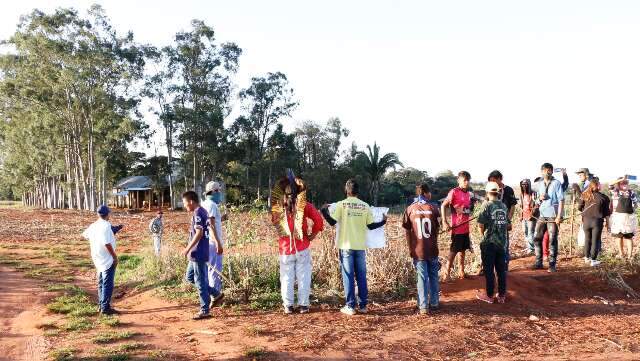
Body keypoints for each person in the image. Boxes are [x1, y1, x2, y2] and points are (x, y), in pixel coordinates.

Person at [321, 179, 387, 316]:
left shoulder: (341, 205)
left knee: (348, 276)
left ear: (346, 190)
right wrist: (383, 222)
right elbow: (370, 226)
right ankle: (363, 306)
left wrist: (323, 211)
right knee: (362, 276)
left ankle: (350, 306)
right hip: (360, 247)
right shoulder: (365, 206)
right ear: (358, 191)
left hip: (346, 247)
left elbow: (332, 222)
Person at [271, 175, 324, 314]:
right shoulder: (305, 205)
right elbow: (318, 220)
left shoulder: (278, 206)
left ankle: (288, 306)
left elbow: (275, 222)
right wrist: (311, 236)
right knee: (304, 276)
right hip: (302, 246)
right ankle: (304, 306)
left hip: (285, 248)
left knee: (286, 277)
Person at [402, 183, 441, 315]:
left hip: (418, 250)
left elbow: (407, 231)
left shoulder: (410, 209)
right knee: (434, 276)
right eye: (429, 193)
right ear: (425, 193)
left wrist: (410, 248)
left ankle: (423, 306)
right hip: (432, 248)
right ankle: (435, 303)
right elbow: (437, 228)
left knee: (422, 277)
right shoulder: (434, 208)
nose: (430, 195)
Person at [181, 191, 214, 320]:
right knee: (190, 277)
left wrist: (187, 248)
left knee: (200, 281)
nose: (184, 206)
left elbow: (199, 233)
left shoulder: (198, 212)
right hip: (196, 252)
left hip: (198, 252)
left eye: (185, 203)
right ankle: (215, 294)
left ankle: (204, 309)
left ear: (191, 201)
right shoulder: (203, 211)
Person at [476, 182, 510, 304]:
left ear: (487, 192)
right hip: (502, 243)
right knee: (501, 271)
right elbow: (508, 225)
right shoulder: (504, 206)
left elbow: (480, 225)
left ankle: (489, 296)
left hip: (489, 243)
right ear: (498, 192)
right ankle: (501, 296)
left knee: (489, 270)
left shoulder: (486, 205)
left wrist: (483, 236)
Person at [82, 205, 119, 315]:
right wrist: (114, 256)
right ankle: (105, 308)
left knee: (101, 282)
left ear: (98, 214)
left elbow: (85, 235)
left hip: (97, 257)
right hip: (107, 258)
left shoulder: (94, 225)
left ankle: (101, 305)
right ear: (108, 214)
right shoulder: (106, 226)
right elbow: (106, 243)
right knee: (108, 284)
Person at [441, 171, 475, 281]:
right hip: (457, 228)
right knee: (453, 251)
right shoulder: (454, 192)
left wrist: (471, 207)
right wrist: (445, 222)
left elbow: (468, 209)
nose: (466, 182)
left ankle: (461, 272)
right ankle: (446, 274)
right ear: (458, 180)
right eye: (464, 180)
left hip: (465, 227)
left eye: (468, 180)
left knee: (463, 250)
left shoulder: (468, 194)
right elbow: (443, 206)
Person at [532, 163, 565, 273]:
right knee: (536, 237)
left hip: (553, 215)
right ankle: (538, 262)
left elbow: (561, 200)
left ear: (552, 171)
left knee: (552, 239)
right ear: (542, 171)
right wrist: (539, 199)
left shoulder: (557, 183)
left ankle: (552, 264)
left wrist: (559, 216)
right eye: (546, 170)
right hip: (542, 214)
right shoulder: (540, 184)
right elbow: (537, 200)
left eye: (550, 170)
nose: (548, 172)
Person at [202, 181, 225, 308]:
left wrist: (222, 218)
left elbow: (211, 222)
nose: (219, 193)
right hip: (212, 243)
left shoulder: (205, 203)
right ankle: (215, 297)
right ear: (213, 192)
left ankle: (211, 297)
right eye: (218, 191)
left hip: (207, 243)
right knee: (215, 271)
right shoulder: (211, 205)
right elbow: (211, 225)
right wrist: (217, 243)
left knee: (208, 271)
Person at [487, 170, 517, 270]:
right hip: (491, 223)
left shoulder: (508, 190)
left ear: (500, 179)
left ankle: (504, 267)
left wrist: (508, 220)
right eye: (490, 181)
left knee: (504, 244)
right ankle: (489, 267)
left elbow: (512, 206)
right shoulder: (490, 190)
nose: (492, 183)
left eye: (494, 181)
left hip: (503, 222)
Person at [577, 178, 610, 267]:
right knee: (595, 240)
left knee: (587, 239)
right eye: (600, 184)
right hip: (597, 222)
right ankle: (593, 260)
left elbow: (579, 207)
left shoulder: (585, 195)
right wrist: (608, 224)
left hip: (586, 221)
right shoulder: (604, 197)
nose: (601, 185)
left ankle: (586, 258)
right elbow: (607, 212)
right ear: (598, 186)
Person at [609, 177, 638, 260]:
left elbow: (636, 204)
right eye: (622, 183)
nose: (625, 184)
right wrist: (621, 179)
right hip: (618, 218)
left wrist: (631, 211)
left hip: (628, 218)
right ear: (618, 184)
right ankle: (621, 254)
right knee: (619, 236)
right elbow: (611, 184)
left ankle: (630, 256)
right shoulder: (616, 191)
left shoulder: (631, 192)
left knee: (628, 237)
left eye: (626, 182)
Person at [520, 179, 536, 254]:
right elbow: (521, 206)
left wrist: (531, 214)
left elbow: (535, 205)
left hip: (531, 217)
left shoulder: (533, 194)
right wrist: (521, 215)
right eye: (523, 184)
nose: (524, 186)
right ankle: (529, 247)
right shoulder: (522, 194)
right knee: (525, 232)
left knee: (530, 232)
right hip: (524, 216)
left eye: (526, 184)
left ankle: (532, 249)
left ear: (529, 184)